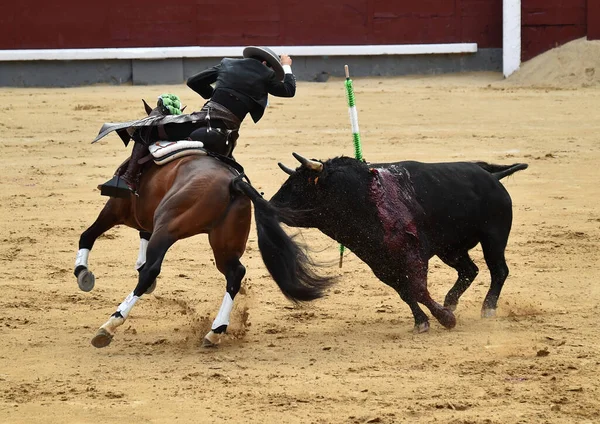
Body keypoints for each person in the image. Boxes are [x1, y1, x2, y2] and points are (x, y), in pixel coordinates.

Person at [99, 46, 296, 198]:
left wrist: (215, 96)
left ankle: (128, 179)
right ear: (266, 64)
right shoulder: (267, 75)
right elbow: (289, 90)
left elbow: (193, 81)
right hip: (226, 138)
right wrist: (286, 66)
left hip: (203, 124)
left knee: (147, 129)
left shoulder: (228, 64)